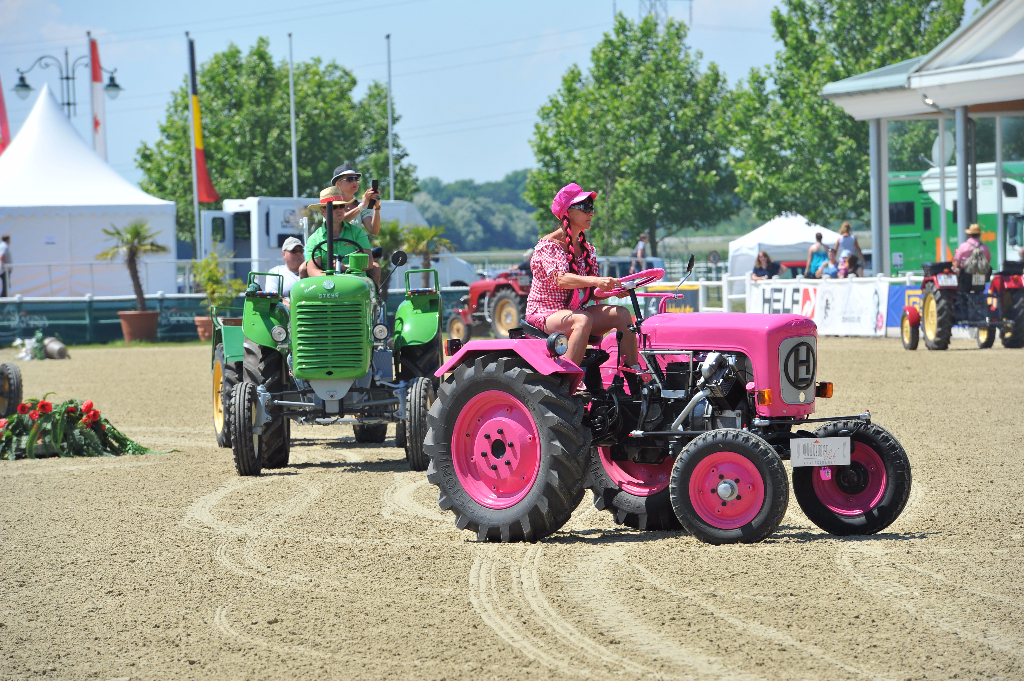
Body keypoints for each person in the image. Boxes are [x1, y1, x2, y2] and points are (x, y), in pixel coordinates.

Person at [524, 182, 637, 369]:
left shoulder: (587, 249)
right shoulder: (548, 246)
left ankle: (635, 377)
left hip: (575, 312)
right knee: (582, 319)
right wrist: (596, 280)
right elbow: (560, 279)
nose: (591, 213)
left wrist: (613, 290)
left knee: (622, 314)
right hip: (545, 313)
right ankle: (566, 380)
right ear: (567, 212)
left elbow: (591, 293)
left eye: (591, 208)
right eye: (585, 208)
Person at [303, 186, 380, 285]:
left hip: (356, 285)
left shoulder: (357, 232)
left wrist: (346, 267)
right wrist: (332, 279)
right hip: (326, 287)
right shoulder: (314, 239)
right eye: (334, 207)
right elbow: (312, 270)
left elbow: (369, 262)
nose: (339, 210)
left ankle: (377, 299)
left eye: (341, 206)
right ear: (323, 211)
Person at [330, 163, 382, 236]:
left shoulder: (361, 206)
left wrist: (377, 208)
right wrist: (362, 206)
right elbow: (338, 223)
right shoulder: (330, 206)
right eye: (349, 179)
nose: (354, 182)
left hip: (356, 247)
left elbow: (374, 230)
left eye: (356, 179)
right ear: (338, 184)